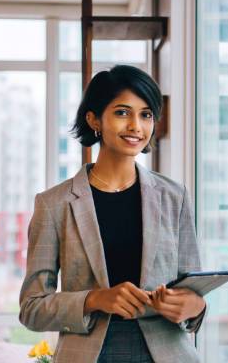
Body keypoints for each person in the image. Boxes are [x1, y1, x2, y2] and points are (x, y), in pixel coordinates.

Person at [19, 65, 206, 363]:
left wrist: (195, 306)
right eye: (122, 112)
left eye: (146, 114)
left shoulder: (175, 197)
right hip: (90, 354)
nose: (136, 126)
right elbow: (32, 309)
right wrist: (94, 299)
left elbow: (193, 290)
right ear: (94, 119)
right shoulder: (53, 204)